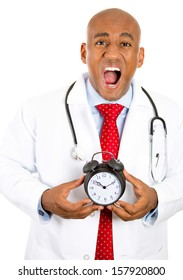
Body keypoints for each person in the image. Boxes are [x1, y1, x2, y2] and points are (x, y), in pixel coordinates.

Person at [0, 7, 183, 260]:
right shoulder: (36, 109)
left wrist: (156, 199)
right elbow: (7, 166)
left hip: (142, 261)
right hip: (57, 261)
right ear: (84, 52)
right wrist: (42, 199)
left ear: (140, 57)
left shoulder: (170, 113)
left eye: (125, 43)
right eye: (101, 41)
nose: (112, 52)